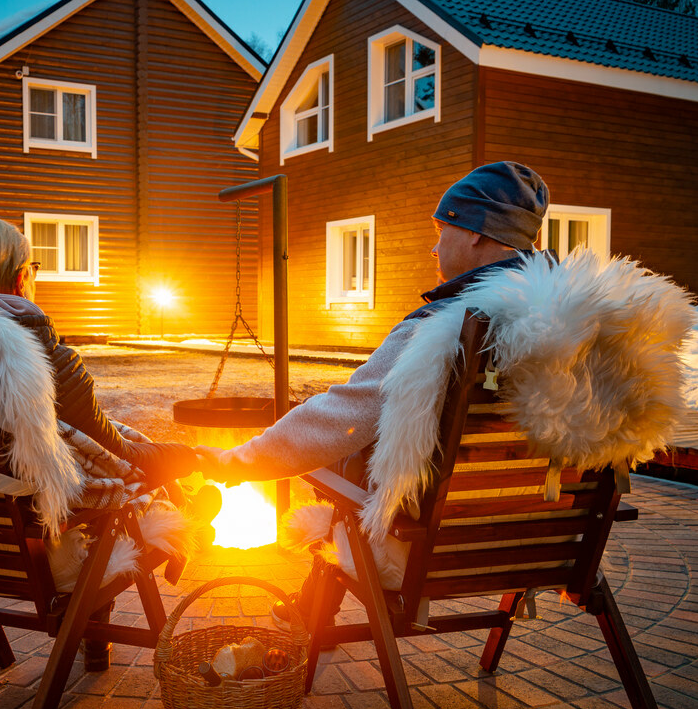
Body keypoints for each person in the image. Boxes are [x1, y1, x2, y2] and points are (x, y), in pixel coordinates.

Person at [198, 161, 551, 628]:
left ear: (475, 234)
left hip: (426, 547)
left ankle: (310, 615)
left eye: (442, 229)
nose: (434, 245)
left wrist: (238, 461)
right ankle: (309, 611)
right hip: (539, 541)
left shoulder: (445, 328)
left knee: (340, 460)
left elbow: (338, 415)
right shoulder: (572, 324)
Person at [0, 214, 200, 492]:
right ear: (19, 280)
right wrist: (193, 457)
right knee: (193, 500)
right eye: (33, 268)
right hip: (40, 521)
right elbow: (120, 458)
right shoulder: (44, 364)